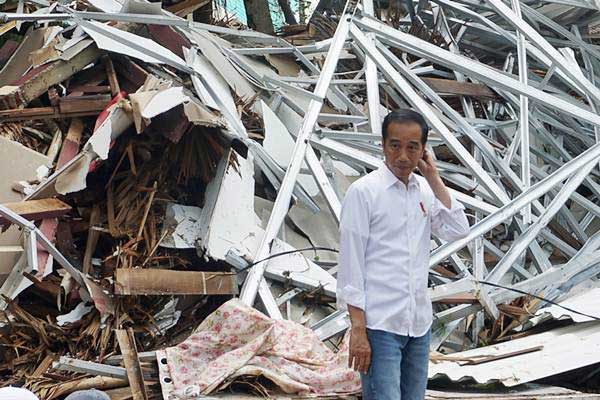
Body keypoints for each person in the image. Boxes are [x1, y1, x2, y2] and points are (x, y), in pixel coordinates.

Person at [337, 109, 470, 400]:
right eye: (395, 145)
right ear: (383, 145)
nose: (403, 156)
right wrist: (358, 330)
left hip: (418, 325)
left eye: (413, 148)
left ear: (424, 150)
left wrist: (433, 177)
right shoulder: (364, 192)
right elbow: (351, 266)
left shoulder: (423, 190)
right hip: (380, 325)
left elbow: (459, 230)